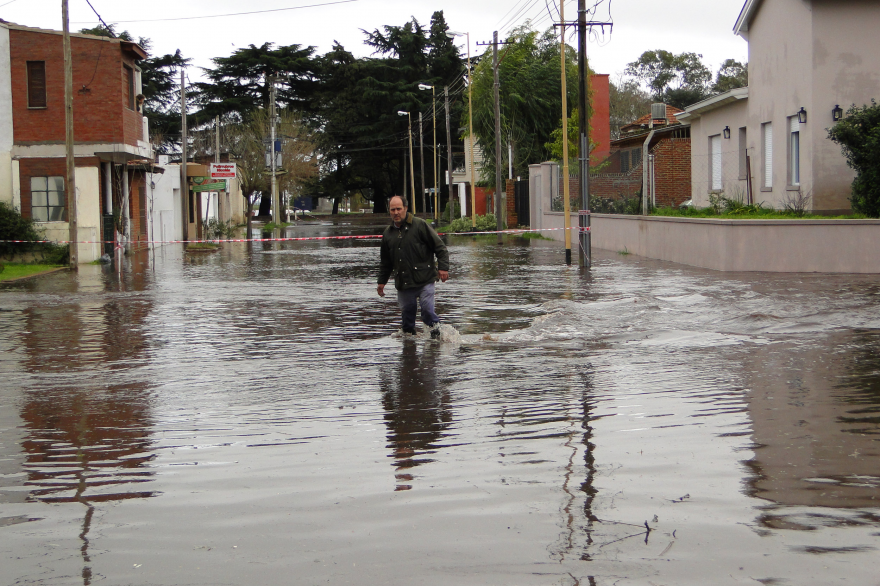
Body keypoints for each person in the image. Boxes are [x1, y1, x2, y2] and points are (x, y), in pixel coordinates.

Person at [377, 195, 449, 338]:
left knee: (427, 310)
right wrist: (381, 282)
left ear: (405, 208)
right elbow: (385, 262)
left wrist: (443, 268)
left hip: (425, 279)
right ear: (389, 211)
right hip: (404, 282)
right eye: (393, 210)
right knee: (407, 319)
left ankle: (438, 338)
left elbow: (440, 247)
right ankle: (409, 349)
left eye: (399, 209)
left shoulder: (419, 225)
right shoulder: (388, 233)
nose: (396, 213)